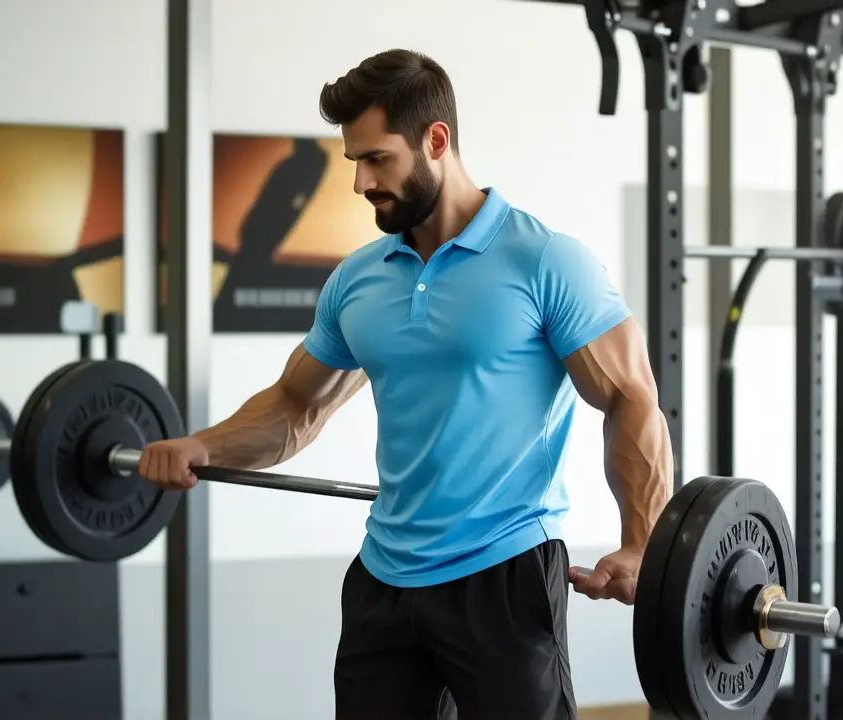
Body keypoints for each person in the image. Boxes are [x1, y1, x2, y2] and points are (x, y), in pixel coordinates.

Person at [138, 48, 674, 720]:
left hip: (503, 578)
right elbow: (296, 405)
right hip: (383, 584)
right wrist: (203, 447)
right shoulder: (358, 279)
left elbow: (631, 396)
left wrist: (642, 538)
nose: (359, 183)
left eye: (376, 159)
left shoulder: (546, 261)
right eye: (352, 163)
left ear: (436, 140)